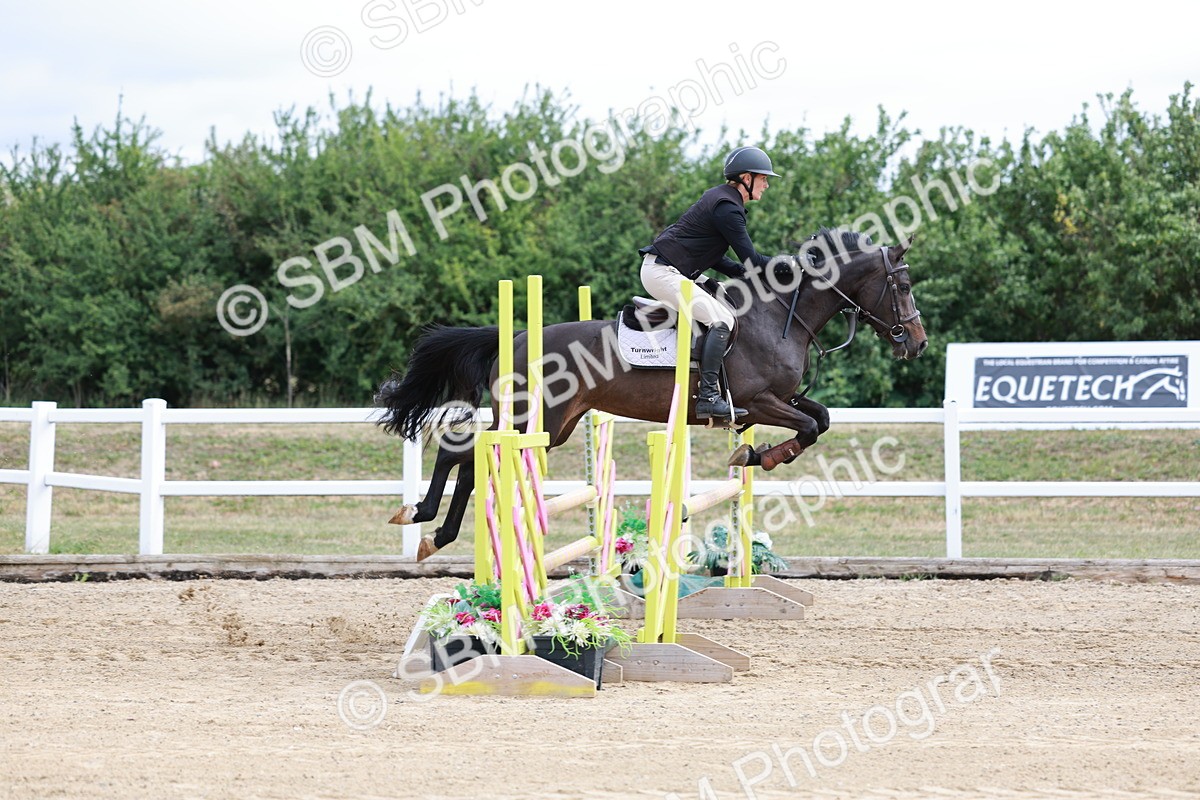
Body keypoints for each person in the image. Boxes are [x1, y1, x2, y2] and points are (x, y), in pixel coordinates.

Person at [638, 145, 781, 420]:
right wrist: (793, 264)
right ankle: (708, 397)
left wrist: (740, 273)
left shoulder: (722, 199)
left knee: (727, 297)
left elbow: (714, 255)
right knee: (722, 320)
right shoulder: (727, 208)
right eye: (763, 178)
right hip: (663, 273)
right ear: (746, 178)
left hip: (675, 269)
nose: (766, 185)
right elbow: (753, 259)